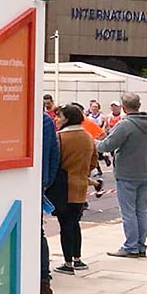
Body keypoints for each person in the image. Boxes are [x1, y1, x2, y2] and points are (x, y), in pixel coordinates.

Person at [97, 92, 147, 257]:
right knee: (141, 210)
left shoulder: (125, 125)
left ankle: (130, 246)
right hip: (144, 171)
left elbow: (107, 145)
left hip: (126, 172)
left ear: (123, 107)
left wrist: (94, 142)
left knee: (128, 211)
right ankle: (140, 245)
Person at [52, 105, 95, 275]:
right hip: (81, 184)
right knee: (75, 223)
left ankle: (67, 262)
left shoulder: (61, 138)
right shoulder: (88, 137)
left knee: (65, 224)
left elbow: (55, 161)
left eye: (60, 117)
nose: (57, 119)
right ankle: (78, 259)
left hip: (64, 186)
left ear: (67, 118)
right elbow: (93, 162)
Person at [39, 108, 60, 294]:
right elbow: (55, 154)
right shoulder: (46, 120)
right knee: (39, 233)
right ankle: (44, 280)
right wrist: (46, 181)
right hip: (39, 181)